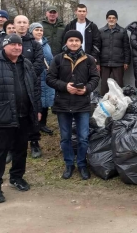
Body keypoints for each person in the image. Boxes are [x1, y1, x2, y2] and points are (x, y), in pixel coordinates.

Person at [0, 34, 42, 203]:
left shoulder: (26, 64)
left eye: (19, 45)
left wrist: (37, 109)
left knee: (20, 151)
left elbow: (34, 88)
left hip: (24, 116)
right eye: (13, 45)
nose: (17, 48)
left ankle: (16, 178)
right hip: (2, 116)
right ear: (4, 46)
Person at [46, 30, 100, 180]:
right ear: (66, 42)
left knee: (83, 137)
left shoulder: (89, 59)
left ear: (81, 42)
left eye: (77, 40)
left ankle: (82, 164)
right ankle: (69, 164)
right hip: (63, 104)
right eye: (71, 40)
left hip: (82, 104)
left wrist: (87, 89)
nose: (74, 43)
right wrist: (65, 86)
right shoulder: (58, 59)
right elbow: (50, 78)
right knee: (65, 137)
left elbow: (95, 78)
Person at [13, 15, 44, 158]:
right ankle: (11, 147)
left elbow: (39, 64)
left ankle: (34, 143)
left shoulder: (35, 45)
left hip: (32, 85)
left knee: (33, 114)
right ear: (14, 24)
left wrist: (26, 76)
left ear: (28, 25)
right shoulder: (5, 42)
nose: (21, 25)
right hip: (12, 85)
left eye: (24, 22)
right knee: (12, 115)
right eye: (19, 22)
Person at [29, 22, 55, 135]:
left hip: (47, 75)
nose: (39, 32)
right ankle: (35, 124)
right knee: (37, 100)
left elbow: (50, 58)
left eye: (41, 30)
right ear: (31, 31)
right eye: (36, 30)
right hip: (36, 76)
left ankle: (43, 124)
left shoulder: (46, 44)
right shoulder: (29, 44)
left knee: (46, 101)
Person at [98, 10, 130, 95]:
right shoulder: (100, 31)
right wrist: (97, 62)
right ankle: (104, 104)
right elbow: (97, 48)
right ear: (106, 19)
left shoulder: (123, 31)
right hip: (104, 62)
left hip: (118, 62)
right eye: (109, 18)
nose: (111, 19)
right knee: (104, 85)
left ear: (116, 19)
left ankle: (120, 104)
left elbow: (126, 47)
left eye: (113, 18)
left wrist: (126, 61)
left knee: (119, 85)